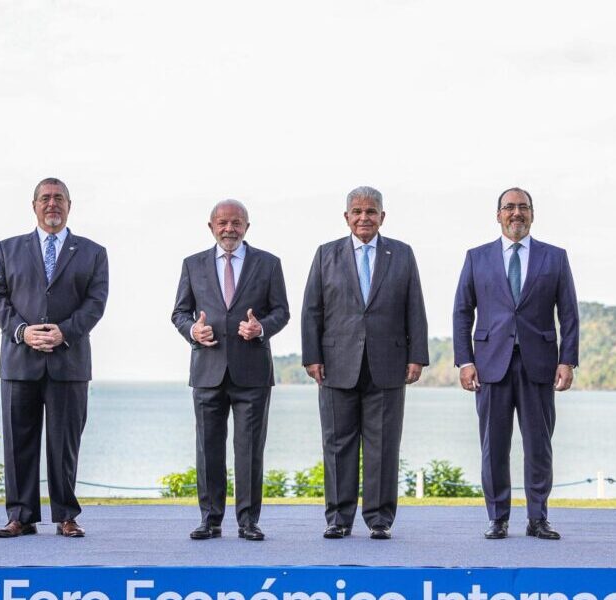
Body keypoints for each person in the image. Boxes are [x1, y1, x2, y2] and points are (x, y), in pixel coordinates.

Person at [302, 186, 428, 541]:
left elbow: (414, 307)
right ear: (346, 217)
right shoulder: (325, 254)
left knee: (383, 446)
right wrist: (312, 356)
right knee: (337, 445)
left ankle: (379, 519)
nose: (364, 218)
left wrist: (417, 356)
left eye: (371, 211)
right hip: (335, 364)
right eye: (357, 212)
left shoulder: (402, 254)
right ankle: (338, 519)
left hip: (388, 364)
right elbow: (312, 309)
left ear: (382, 216)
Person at [0, 177, 109, 538]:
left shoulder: (93, 252)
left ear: (69, 205)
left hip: (69, 363)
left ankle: (66, 516)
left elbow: (96, 303)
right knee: (18, 444)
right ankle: (21, 516)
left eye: (59, 198)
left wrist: (64, 332)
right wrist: (22, 331)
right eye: (45, 198)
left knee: (64, 445)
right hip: (19, 362)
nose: (52, 204)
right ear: (34, 205)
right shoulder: (7, 249)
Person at [453, 187, 578, 540]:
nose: (516, 213)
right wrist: (464, 361)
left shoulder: (555, 257)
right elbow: (462, 312)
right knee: (493, 447)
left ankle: (538, 518)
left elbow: (569, 314)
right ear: (498, 215)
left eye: (523, 207)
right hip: (490, 365)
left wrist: (567, 360)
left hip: (539, 364)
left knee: (539, 447)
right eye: (509, 207)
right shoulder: (476, 257)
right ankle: (498, 518)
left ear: (533, 214)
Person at [171, 199, 289, 542]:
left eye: (236, 223)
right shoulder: (192, 264)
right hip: (207, 370)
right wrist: (193, 331)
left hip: (252, 372)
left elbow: (281, 311)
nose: (229, 229)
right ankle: (210, 520)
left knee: (249, 450)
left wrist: (261, 328)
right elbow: (179, 313)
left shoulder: (269, 264)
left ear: (247, 227)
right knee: (208, 449)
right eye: (222, 223)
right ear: (211, 227)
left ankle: (248, 522)